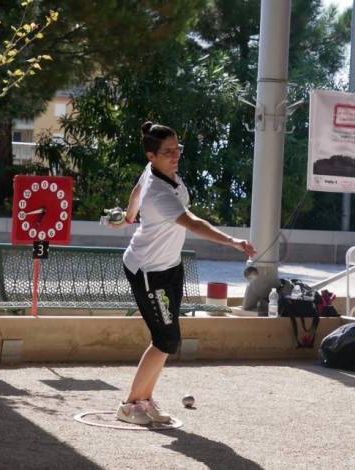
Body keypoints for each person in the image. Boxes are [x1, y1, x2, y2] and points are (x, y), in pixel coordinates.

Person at [108, 121, 256, 425]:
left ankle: (144, 400)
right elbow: (193, 222)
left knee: (167, 338)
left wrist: (129, 216)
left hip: (170, 267)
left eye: (178, 149)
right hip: (149, 270)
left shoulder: (158, 173)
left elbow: (136, 189)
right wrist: (232, 241)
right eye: (168, 152)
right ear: (152, 155)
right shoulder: (159, 193)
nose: (176, 155)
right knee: (166, 339)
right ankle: (128, 405)